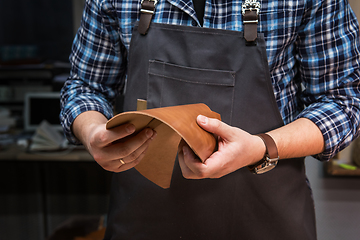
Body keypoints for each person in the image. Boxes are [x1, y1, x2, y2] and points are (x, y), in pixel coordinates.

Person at [60, 0, 360, 239]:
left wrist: (261, 146)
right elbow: (86, 86)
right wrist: (92, 132)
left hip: (266, 217)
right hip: (143, 219)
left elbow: (343, 101)